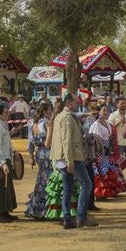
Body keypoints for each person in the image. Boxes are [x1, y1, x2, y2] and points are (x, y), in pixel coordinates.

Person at [48, 94, 95, 230]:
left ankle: (67, 219)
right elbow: (66, 140)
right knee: (86, 184)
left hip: (63, 157)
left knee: (68, 188)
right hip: (71, 156)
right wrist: (70, 160)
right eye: (76, 102)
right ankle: (81, 217)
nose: (78, 104)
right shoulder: (67, 118)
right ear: (69, 103)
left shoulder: (61, 116)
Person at [23, 102, 54, 220]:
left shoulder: (32, 123)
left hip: (39, 153)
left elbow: (30, 141)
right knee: (48, 179)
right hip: (47, 153)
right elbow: (49, 141)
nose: (51, 112)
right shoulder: (46, 123)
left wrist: (31, 156)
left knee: (41, 179)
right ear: (45, 111)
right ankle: (45, 208)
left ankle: (36, 206)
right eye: (50, 110)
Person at [89, 105, 126, 199]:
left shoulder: (107, 123)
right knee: (100, 172)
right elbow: (94, 140)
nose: (106, 112)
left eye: (107, 110)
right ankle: (99, 194)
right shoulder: (96, 125)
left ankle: (107, 192)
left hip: (108, 152)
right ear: (99, 112)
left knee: (108, 170)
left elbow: (110, 136)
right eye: (104, 110)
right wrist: (102, 149)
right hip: (100, 152)